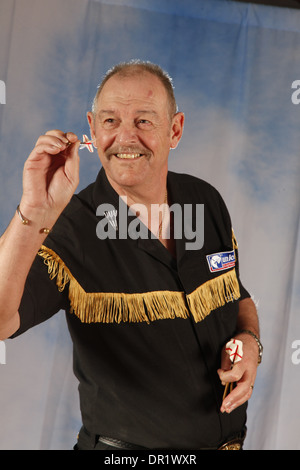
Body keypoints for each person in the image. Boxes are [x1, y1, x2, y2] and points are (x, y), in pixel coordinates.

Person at [0, 60, 262, 450]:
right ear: (92, 128)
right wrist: (34, 211)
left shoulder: (205, 201)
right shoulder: (71, 227)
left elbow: (236, 296)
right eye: (110, 121)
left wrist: (250, 342)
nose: (125, 138)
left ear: (175, 130)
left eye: (143, 121)